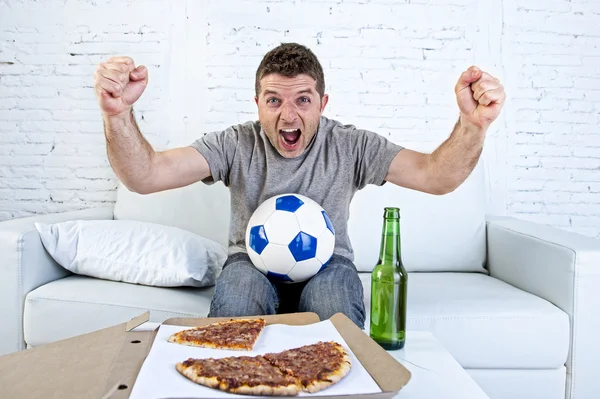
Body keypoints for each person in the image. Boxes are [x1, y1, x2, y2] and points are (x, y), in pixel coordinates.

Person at [93, 43, 505, 328]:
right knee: (236, 298)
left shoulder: (351, 144)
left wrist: (473, 124)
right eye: (274, 100)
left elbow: (436, 176)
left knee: (335, 308)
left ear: (323, 104)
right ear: (257, 103)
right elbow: (146, 176)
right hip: (250, 266)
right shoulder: (235, 143)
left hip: (329, 267)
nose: (288, 115)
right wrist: (117, 114)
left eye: (303, 100)